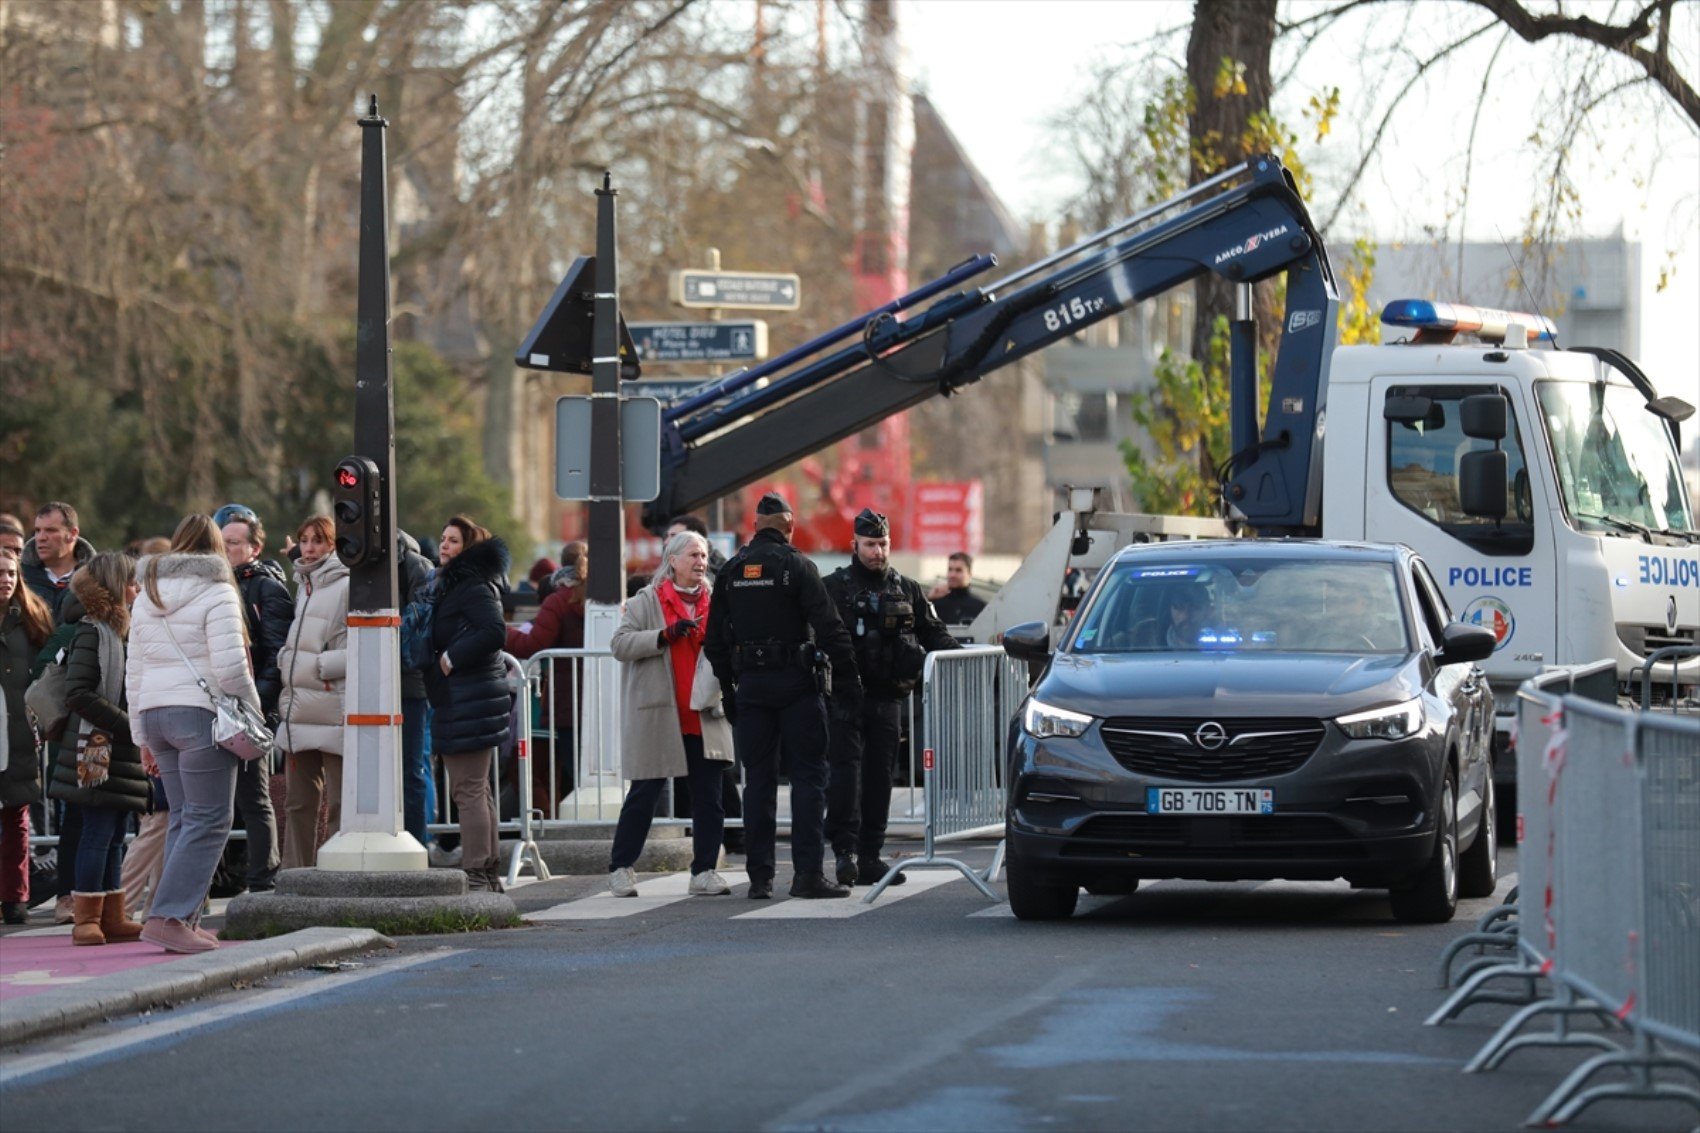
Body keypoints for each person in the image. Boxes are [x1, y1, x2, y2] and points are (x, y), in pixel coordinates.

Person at [704, 492, 861, 900]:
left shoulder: (733, 571)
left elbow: (715, 642)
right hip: (796, 685)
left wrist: (728, 690)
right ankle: (807, 875)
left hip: (752, 688)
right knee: (809, 778)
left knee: (758, 781)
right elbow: (830, 627)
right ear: (789, 526)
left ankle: (760, 878)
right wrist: (849, 682)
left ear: (755, 527)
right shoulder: (796, 566)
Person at [127, 513, 261, 953]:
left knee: (185, 818)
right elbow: (230, 669)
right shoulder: (219, 589)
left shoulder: (147, 593)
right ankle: (168, 917)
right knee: (210, 819)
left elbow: (135, 669)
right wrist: (254, 709)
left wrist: (140, 735)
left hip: (156, 714)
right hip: (200, 715)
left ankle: (179, 917)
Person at [824, 509, 960, 886]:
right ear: (855, 545)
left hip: (887, 699)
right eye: (870, 544)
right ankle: (845, 852)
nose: (877, 552)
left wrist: (967, 656)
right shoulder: (833, 587)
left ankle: (870, 855)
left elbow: (935, 634)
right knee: (845, 776)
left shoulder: (907, 589)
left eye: (882, 544)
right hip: (845, 698)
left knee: (879, 779)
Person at [606, 531, 735, 897]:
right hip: (660, 713)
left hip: (705, 711)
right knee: (645, 792)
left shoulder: (717, 601)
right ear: (673, 560)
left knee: (709, 796)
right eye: (693, 555)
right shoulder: (646, 601)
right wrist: (663, 635)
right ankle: (620, 868)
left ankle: (705, 871)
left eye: (705, 555)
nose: (701, 562)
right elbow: (619, 644)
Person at [50, 553, 150, 945]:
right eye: (131, 582)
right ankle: (86, 918)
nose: (137, 589)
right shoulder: (93, 631)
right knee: (95, 831)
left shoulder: (123, 629)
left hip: (118, 747)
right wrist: (131, 726)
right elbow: (79, 693)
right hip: (95, 745)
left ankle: (112, 914)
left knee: (112, 834)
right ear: (114, 585)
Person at [423, 516, 511, 892]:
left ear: (469, 547)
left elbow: (494, 631)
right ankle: (487, 873)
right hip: (469, 698)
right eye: (442, 539)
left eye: (453, 541)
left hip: (468, 697)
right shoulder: (457, 584)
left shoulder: (471, 585)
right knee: (477, 789)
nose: (444, 546)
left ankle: (477, 873)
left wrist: (450, 658)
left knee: (468, 790)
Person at [215, 503, 287, 892]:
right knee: (213, 804)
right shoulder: (214, 585)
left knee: (253, 799)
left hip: (251, 709)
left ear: (254, 548)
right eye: (221, 542)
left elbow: (277, 654)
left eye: (234, 543)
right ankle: (220, 878)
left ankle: (263, 878)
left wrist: (255, 705)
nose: (226, 549)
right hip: (215, 706)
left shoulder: (267, 588)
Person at [665, 515, 743, 851]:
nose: (669, 542)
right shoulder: (654, 594)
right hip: (674, 702)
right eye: (667, 538)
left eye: (676, 537)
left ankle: (730, 839)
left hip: (709, 698)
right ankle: (694, 841)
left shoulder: (718, 589)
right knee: (676, 777)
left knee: (715, 774)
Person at [276, 515, 350, 870]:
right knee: (298, 802)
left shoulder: (347, 584)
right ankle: (294, 876)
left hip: (333, 705)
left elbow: (362, 647)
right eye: (305, 540)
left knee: (338, 802)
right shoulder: (304, 585)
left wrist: (319, 667)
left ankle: (337, 875)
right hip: (302, 707)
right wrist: (286, 660)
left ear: (333, 544)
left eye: (318, 540)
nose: (309, 547)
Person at [504, 540, 586, 818]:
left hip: (566, 700)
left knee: (568, 769)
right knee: (583, 775)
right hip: (602, 700)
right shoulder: (606, 598)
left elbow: (533, 644)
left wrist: (500, 633)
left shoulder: (559, 600)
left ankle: (565, 829)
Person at [0, 551, 54, 923]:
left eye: (9, 572)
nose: (5, 579)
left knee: (16, 818)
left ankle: (15, 899)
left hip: (19, 732)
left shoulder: (33, 617)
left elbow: (48, 672)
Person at [396, 529, 436, 847]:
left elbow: (418, 625)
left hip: (409, 684)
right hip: (370, 683)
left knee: (412, 767)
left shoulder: (415, 566)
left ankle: (418, 843)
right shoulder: (356, 563)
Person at [22, 501, 95, 621]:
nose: (41, 537)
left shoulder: (97, 581)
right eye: (37, 530)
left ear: (72, 534)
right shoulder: (18, 579)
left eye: (50, 530)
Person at [928, 551, 987, 628]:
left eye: (958, 570)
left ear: (969, 574)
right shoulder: (935, 605)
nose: (953, 575)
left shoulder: (981, 608)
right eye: (950, 570)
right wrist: (928, 598)